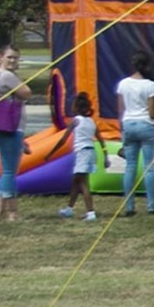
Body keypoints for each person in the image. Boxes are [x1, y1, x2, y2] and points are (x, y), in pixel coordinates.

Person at [0, 47, 33, 224]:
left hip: (3, 129)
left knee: (8, 171)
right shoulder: (7, 76)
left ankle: (5, 212)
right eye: (9, 57)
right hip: (10, 128)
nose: (13, 61)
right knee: (9, 173)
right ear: (0, 57)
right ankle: (9, 213)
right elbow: (27, 92)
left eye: (16, 58)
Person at [116, 51, 154, 217]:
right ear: (147, 66)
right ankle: (151, 206)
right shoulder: (151, 85)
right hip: (146, 125)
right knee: (148, 168)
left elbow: (121, 110)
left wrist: (121, 131)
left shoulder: (123, 84)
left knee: (130, 167)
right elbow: (152, 113)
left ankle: (129, 207)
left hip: (128, 124)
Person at [58, 91, 104, 222]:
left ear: (77, 107)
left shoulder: (76, 121)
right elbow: (101, 140)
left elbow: (63, 139)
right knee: (76, 182)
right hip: (90, 152)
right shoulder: (91, 121)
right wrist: (105, 155)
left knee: (83, 184)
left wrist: (50, 153)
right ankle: (69, 209)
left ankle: (91, 212)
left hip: (82, 153)